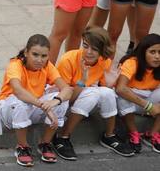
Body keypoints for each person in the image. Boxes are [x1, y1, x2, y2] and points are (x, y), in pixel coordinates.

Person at [52, 27, 128, 159]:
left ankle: (109, 136)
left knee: (107, 93)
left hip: (85, 103)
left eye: (94, 49)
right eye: (85, 46)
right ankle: (62, 137)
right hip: (64, 104)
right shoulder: (68, 59)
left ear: (102, 50)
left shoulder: (105, 61)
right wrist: (82, 80)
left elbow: (103, 94)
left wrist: (109, 85)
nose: (88, 52)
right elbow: (66, 98)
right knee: (93, 93)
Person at [0, 33, 70, 167]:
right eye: (35, 54)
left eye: (44, 56)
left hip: (34, 107)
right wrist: (45, 107)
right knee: (20, 103)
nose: (39, 60)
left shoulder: (47, 66)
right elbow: (18, 91)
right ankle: (22, 147)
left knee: (62, 100)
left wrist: (55, 102)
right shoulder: (15, 64)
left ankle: (45, 144)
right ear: (26, 52)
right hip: (10, 111)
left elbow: (67, 90)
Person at [115, 33, 160, 151]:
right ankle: (133, 133)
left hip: (147, 101)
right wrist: (149, 106)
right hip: (128, 102)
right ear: (143, 52)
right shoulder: (132, 62)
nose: (157, 57)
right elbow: (120, 88)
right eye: (152, 52)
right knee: (123, 95)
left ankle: (152, 134)